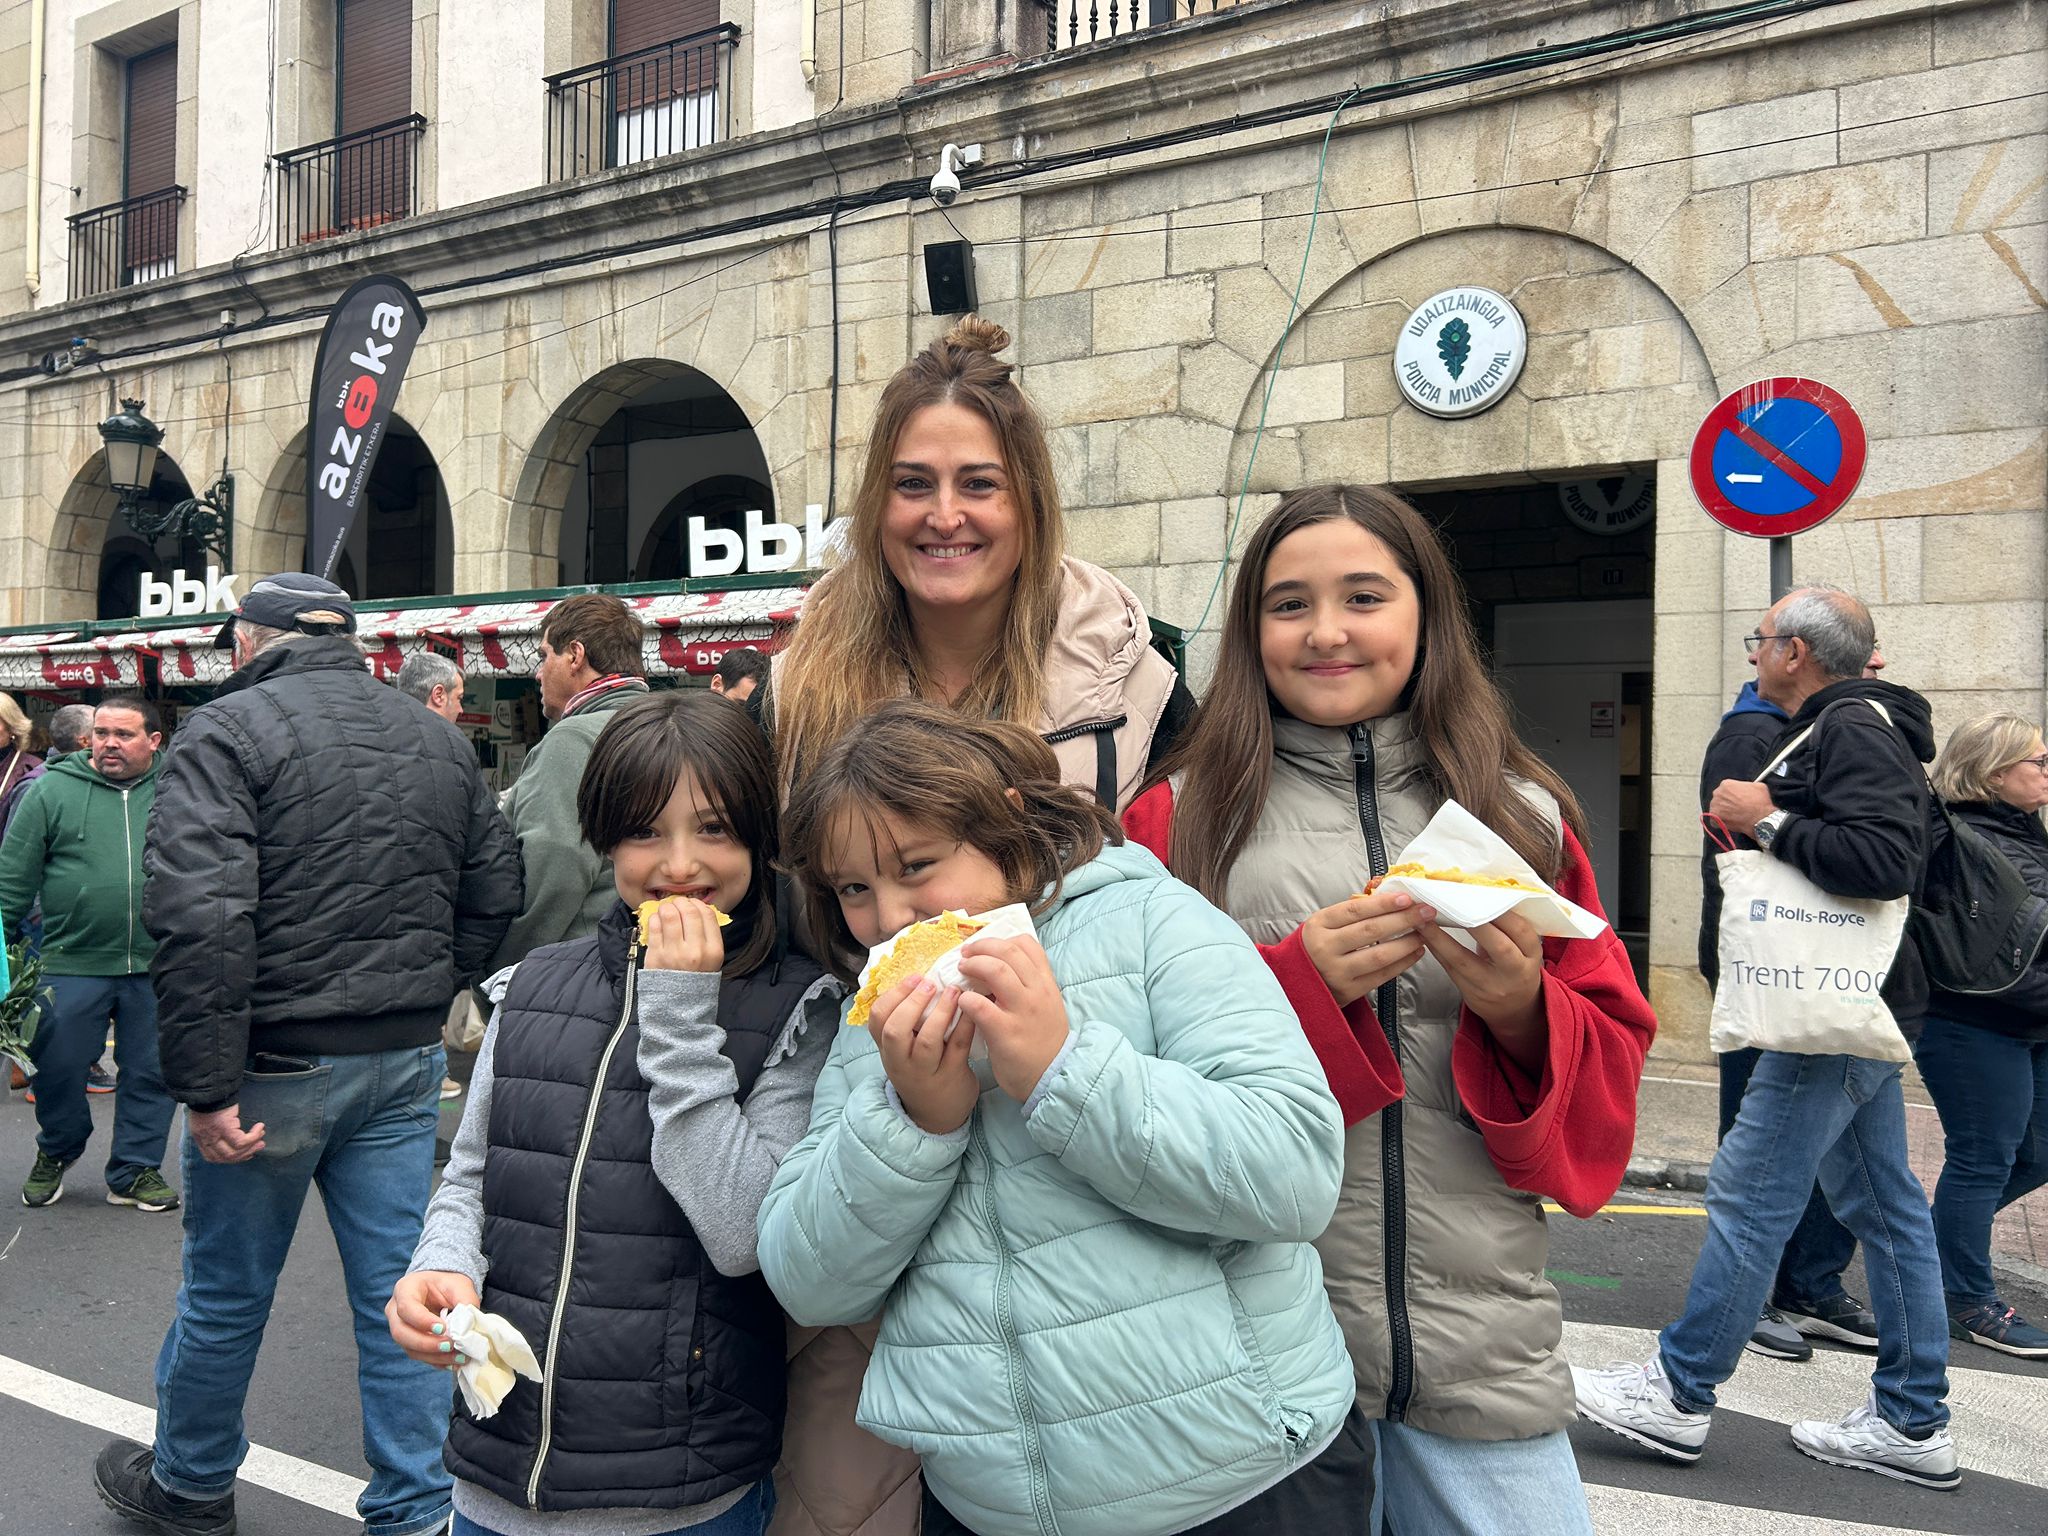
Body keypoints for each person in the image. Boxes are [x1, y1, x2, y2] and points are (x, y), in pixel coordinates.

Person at [1123, 485, 1655, 1536]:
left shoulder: (1526, 817)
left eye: (1362, 595)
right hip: (1252, 1360)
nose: (1325, 632)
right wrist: (1296, 991)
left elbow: (1607, 1089)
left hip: (1480, 1350)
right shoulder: (1173, 821)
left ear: (1424, 615)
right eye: (1287, 604)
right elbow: (1126, 1091)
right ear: (1248, 629)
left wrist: (1519, 1010)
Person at [762, 701, 1362, 1536]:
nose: (891, 915)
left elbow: (1294, 1175)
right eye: (855, 889)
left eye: (918, 864)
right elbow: (809, 1278)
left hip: (1244, 1482)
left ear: (1005, 822)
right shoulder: (872, 1027)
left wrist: (1063, 1072)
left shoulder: (1158, 922)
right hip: (988, 1508)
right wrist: (914, 1125)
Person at [92, 573, 523, 1536]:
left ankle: (193, 1484)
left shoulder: (229, 729)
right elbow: (498, 883)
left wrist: (202, 1088)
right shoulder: (432, 734)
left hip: (276, 1059)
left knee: (228, 1291)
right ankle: (415, 1510)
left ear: (251, 641)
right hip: (402, 1053)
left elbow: (201, 918)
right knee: (404, 1300)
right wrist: (429, 983)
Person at [389, 690, 839, 1536]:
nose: (679, 864)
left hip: (680, 1490)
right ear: (603, 838)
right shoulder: (533, 985)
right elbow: (475, 1172)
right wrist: (440, 1266)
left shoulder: (801, 1008)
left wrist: (677, 1014)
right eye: (644, 831)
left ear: (760, 837)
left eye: (714, 829)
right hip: (495, 1473)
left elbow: (744, 1233)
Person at [1575, 585, 1958, 1488]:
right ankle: (1912, 1420)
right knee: (1888, 1208)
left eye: (1762, 640)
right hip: (1861, 1003)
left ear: (1795, 652)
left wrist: (1767, 821)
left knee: (1751, 1195)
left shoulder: (1851, 726)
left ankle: (1677, 1393)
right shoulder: (1866, 720)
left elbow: (1886, 861)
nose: (1753, 654)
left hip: (1830, 1007)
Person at [771, 315, 1191, 812]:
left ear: (1030, 505)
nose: (945, 518)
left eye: (979, 484)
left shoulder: (1142, 695)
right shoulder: (790, 692)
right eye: (913, 483)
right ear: (877, 506)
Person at [0, 696, 180, 1212]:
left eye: (123, 735)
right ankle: (57, 1147)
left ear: (153, 740)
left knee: (151, 1071)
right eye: (101, 733)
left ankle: (134, 1170)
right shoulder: (51, 790)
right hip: (68, 959)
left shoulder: (178, 788)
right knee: (54, 1067)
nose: (108, 744)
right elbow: (12, 880)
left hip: (158, 961)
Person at [1915, 712, 2048, 1359]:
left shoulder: (2027, 829)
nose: (2047, 773)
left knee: (2039, 1152)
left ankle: (1931, 1244)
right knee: (1982, 1157)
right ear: (1995, 773)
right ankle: (1970, 1301)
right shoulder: (1948, 833)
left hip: (2032, 1020)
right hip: (1971, 1021)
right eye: (2037, 763)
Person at [489, 594, 649, 973]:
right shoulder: (666, 724)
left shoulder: (573, 741)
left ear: (576, 655)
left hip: (576, 970)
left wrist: (504, 972)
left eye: (545, 656)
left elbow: (554, 873)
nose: (538, 673)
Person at [4, 702, 107, 1097]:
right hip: (43, 915)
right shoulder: (39, 784)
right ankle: (40, 1078)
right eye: (101, 732)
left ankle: (62, 1069)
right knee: (47, 1001)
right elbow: (18, 862)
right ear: (85, 740)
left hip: (63, 915)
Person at [399, 651, 467, 725]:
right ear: (438, 695)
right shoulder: (443, 736)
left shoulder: (388, 730)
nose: (461, 710)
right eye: (459, 698)